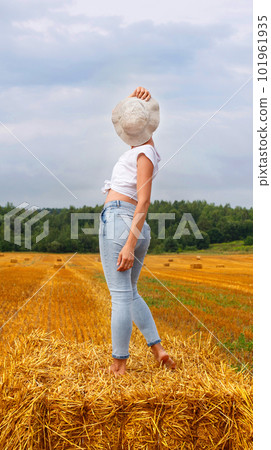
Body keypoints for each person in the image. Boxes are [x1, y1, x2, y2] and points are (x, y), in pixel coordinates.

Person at [99, 86, 176, 377]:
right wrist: (136, 103)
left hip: (123, 222)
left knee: (119, 296)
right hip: (131, 224)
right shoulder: (146, 150)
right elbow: (140, 132)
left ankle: (118, 365)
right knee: (129, 292)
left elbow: (144, 200)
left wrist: (129, 245)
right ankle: (158, 350)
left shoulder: (143, 154)